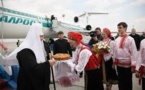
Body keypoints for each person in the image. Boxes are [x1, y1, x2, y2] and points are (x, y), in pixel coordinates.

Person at [7, 23, 55, 90]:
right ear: (34, 36)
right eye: (40, 36)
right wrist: (48, 64)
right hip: (29, 86)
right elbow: (32, 69)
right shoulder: (25, 50)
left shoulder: (38, 48)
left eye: (43, 36)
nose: (43, 38)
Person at [113, 22, 137, 90]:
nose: (118, 29)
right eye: (118, 28)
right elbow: (115, 51)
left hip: (127, 65)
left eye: (120, 27)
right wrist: (114, 62)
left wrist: (133, 65)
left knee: (127, 82)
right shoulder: (116, 39)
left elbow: (134, 52)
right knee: (120, 82)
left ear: (125, 28)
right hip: (119, 65)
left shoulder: (130, 39)